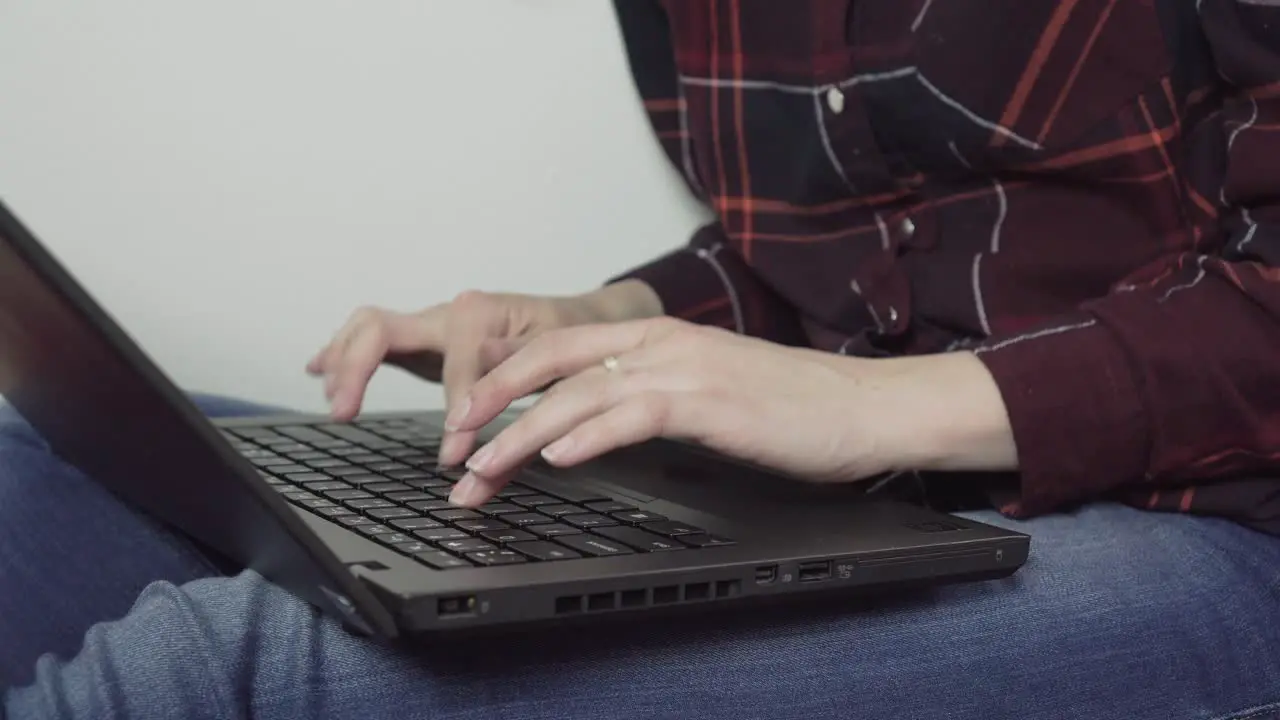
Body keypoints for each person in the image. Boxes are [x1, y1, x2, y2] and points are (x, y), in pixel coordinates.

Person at [5, 1, 1280, 717]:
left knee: (234, 666)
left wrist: (874, 406)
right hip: (861, 497)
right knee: (29, 474)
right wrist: (602, 315)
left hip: (1204, 518)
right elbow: (836, 255)